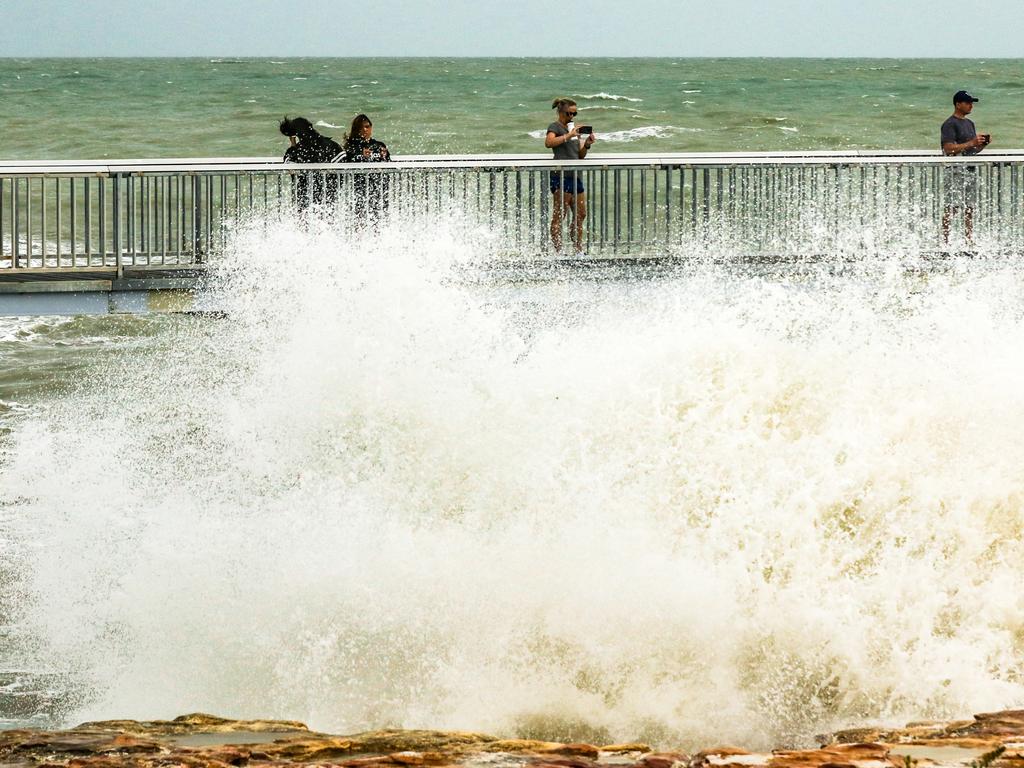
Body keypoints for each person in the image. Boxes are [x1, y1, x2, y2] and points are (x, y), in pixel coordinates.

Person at [545, 98, 596, 256]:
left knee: (581, 214)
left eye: (575, 113)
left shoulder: (573, 129)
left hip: (576, 176)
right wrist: (568, 135)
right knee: (560, 215)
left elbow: (579, 155)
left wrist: (586, 143)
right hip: (561, 176)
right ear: (561, 112)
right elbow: (549, 142)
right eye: (570, 113)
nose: (572, 116)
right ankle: (559, 252)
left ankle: (578, 250)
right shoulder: (555, 127)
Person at [940, 90, 991, 244]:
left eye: (972, 103)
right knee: (952, 207)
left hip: (969, 169)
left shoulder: (970, 124)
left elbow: (971, 151)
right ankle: (945, 240)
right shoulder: (949, 124)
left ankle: (969, 240)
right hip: (955, 170)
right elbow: (948, 149)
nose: (971, 106)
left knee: (969, 207)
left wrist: (982, 145)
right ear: (958, 104)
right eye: (968, 103)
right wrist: (971, 143)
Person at [279, 116, 343, 212]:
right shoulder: (330, 145)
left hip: (304, 195)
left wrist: (293, 145)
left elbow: (290, 169)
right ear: (311, 127)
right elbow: (343, 165)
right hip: (328, 195)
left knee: (304, 222)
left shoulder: (296, 151)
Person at [343, 114, 391, 223]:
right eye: (362, 127)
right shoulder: (351, 146)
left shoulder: (378, 145)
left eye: (368, 126)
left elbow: (388, 163)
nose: (365, 130)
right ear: (357, 129)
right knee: (360, 219)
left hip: (380, 188)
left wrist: (385, 155)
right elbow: (348, 161)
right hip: (360, 188)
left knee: (379, 219)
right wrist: (360, 154)